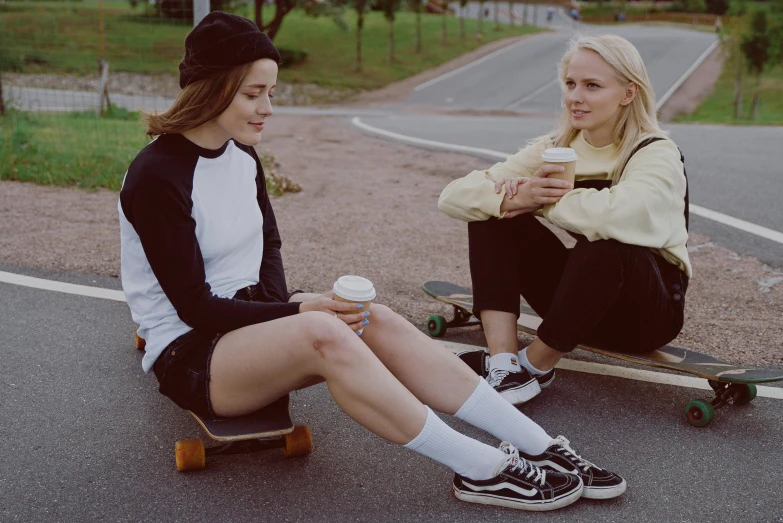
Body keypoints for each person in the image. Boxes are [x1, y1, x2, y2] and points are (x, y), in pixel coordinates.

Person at [119, 12, 626, 509]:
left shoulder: (241, 154)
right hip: (193, 353)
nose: (268, 108)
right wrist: (299, 312)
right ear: (211, 89)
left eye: (271, 93)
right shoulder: (157, 175)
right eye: (253, 94)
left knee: (370, 317)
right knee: (324, 330)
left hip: (249, 327)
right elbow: (195, 308)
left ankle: (540, 444)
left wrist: (288, 306)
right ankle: (484, 469)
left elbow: (268, 247)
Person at [438, 34, 689, 407]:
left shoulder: (655, 152)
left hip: (645, 314)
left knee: (608, 242)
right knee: (494, 215)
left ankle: (535, 365)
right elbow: (453, 196)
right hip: (575, 304)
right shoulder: (557, 146)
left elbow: (619, 214)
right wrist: (514, 197)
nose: (575, 96)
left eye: (592, 86)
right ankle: (505, 364)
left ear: (628, 93)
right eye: (570, 84)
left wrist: (540, 201)